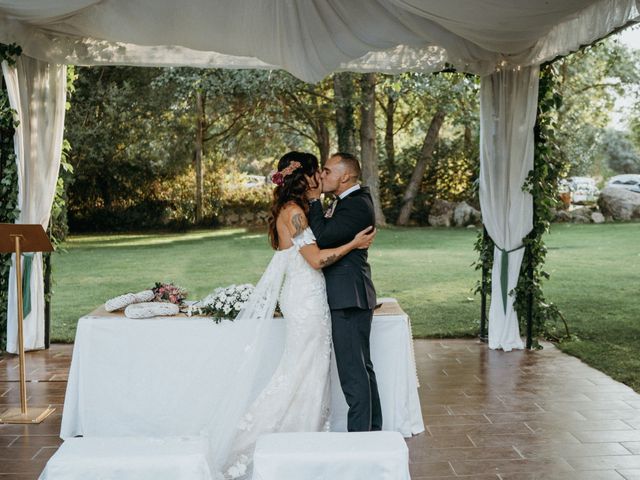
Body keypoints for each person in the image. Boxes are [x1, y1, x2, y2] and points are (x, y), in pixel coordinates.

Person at [219, 151, 376, 479]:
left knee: (310, 370)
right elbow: (316, 260)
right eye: (316, 172)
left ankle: (306, 439)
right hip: (306, 301)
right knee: (300, 369)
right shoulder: (294, 214)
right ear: (304, 178)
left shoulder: (294, 210)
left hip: (311, 297)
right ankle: (274, 440)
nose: (320, 176)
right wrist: (354, 244)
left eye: (325, 171)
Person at [306, 152, 383, 432]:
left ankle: (361, 438)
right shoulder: (348, 201)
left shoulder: (357, 205)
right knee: (361, 368)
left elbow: (323, 237)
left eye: (327, 171)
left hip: (349, 295)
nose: (322, 176)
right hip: (351, 293)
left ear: (345, 176)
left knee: (353, 373)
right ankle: (372, 431)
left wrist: (314, 201)